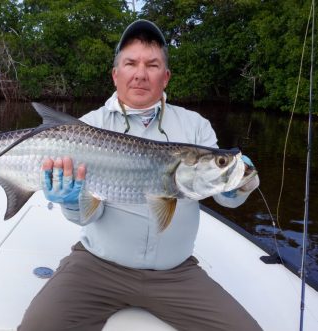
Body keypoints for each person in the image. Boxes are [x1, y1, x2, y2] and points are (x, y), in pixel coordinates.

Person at [18, 19, 261, 331]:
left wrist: (238, 185)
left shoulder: (195, 126)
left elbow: (222, 198)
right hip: (97, 266)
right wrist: (72, 199)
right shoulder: (87, 126)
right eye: (130, 63)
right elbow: (85, 217)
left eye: (153, 64)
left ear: (166, 76)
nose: (141, 73)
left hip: (176, 273)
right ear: (115, 74)